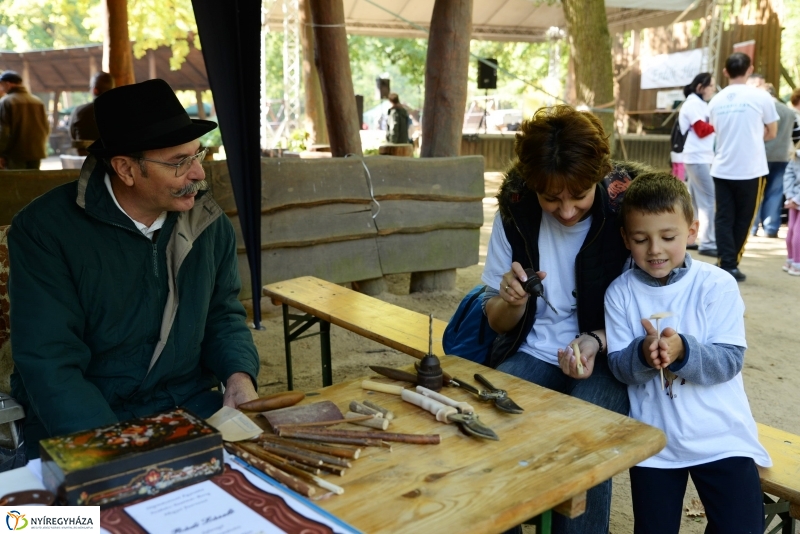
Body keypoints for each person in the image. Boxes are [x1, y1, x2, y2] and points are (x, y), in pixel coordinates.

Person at [8, 79, 260, 460]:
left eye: (198, 155)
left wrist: (239, 374)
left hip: (186, 406)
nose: (198, 173)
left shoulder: (207, 223)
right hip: (84, 418)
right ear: (125, 169)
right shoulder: (45, 231)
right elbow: (50, 363)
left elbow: (223, 315)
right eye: (179, 162)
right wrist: (113, 449)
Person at [481, 105, 636, 534]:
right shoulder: (515, 211)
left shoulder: (627, 209)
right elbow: (496, 322)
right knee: (489, 420)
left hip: (608, 355)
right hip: (532, 351)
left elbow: (653, 310)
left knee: (585, 433)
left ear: (600, 175)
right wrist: (511, 301)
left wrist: (596, 340)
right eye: (551, 198)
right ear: (533, 185)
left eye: (579, 195)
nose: (566, 210)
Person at [605, 172, 770, 534]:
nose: (655, 249)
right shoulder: (620, 293)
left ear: (692, 231)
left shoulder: (717, 284)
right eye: (641, 239)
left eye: (668, 237)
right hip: (656, 445)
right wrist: (643, 354)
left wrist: (682, 351)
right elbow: (618, 366)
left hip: (723, 438)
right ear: (626, 238)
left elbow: (729, 360)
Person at [708, 53, 779, 282]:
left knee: (723, 218)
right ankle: (730, 264)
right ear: (749, 70)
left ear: (725, 72)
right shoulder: (761, 97)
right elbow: (772, 132)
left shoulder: (715, 101)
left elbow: (716, 131)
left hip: (721, 167)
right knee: (744, 219)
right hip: (751, 169)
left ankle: (725, 262)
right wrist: (754, 137)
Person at [746, 75, 795, 238]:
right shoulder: (789, 111)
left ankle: (752, 227)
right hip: (782, 157)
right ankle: (771, 228)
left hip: (762, 156)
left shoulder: (763, 109)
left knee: (756, 193)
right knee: (775, 193)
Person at [679, 72, 717, 257]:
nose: (713, 90)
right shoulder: (693, 103)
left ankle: (691, 238)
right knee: (708, 199)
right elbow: (701, 130)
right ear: (701, 87)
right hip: (697, 156)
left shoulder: (698, 103)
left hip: (698, 156)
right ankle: (708, 241)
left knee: (695, 200)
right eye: (711, 86)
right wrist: (720, 124)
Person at [0, 70, 49, 170]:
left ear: (8, 84)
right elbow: (46, 128)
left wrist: (1, 153)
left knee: (16, 179)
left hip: (15, 153)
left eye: (2, 84)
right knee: (34, 179)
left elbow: (3, 131)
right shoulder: (37, 101)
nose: (1, 87)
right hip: (36, 152)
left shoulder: (6, 101)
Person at [69, 71, 115, 155]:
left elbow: (73, 138)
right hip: (116, 161)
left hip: (85, 160)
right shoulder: (123, 111)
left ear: (95, 90)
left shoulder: (79, 112)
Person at [782, 142, 800, 275]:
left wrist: (790, 197)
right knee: (797, 231)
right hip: (796, 199)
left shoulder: (796, 155)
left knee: (792, 229)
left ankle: (790, 259)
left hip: (793, 197)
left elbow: (788, 176)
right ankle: (797, 262)